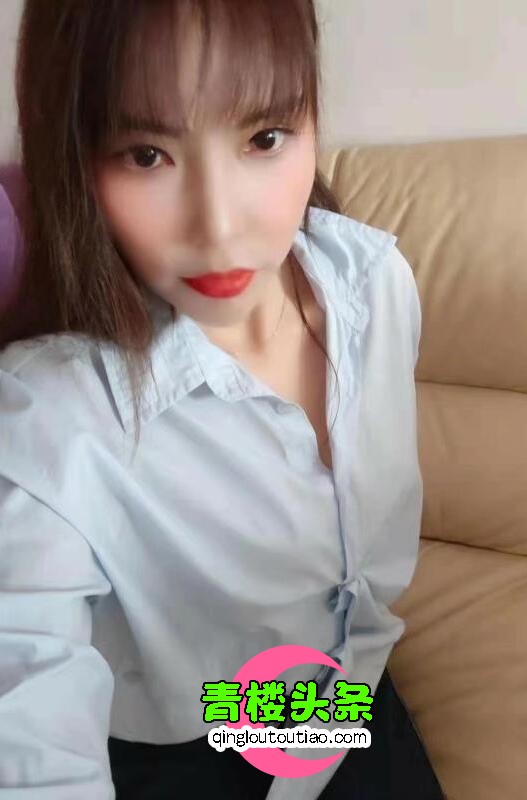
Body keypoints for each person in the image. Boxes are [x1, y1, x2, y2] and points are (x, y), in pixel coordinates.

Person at [0, 1, 447, 798]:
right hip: (183, 743)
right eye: (147, 155)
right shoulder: (47, 417)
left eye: (264, 139)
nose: (219, 225)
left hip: (345, 685)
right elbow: (31, 711)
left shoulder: (377, 286)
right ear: (76, 159)